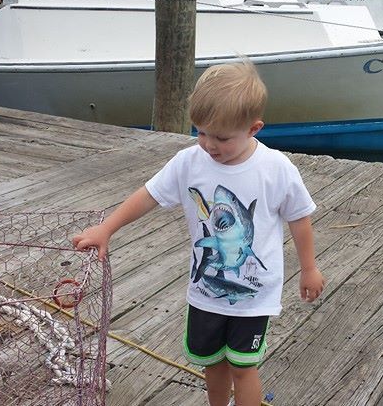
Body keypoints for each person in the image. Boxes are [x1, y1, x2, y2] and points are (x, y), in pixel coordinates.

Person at [72, 60, 324, 406]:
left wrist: (309, 267)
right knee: (212, 363)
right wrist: (107, 228)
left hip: (253, 297)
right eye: (200, 132)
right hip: (205, 292)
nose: (209, 144)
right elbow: (148, 195)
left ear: (254, 128)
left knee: (243, 368)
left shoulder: (276, 169)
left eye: (221, 137)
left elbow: (300, 217)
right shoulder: (188, 162)